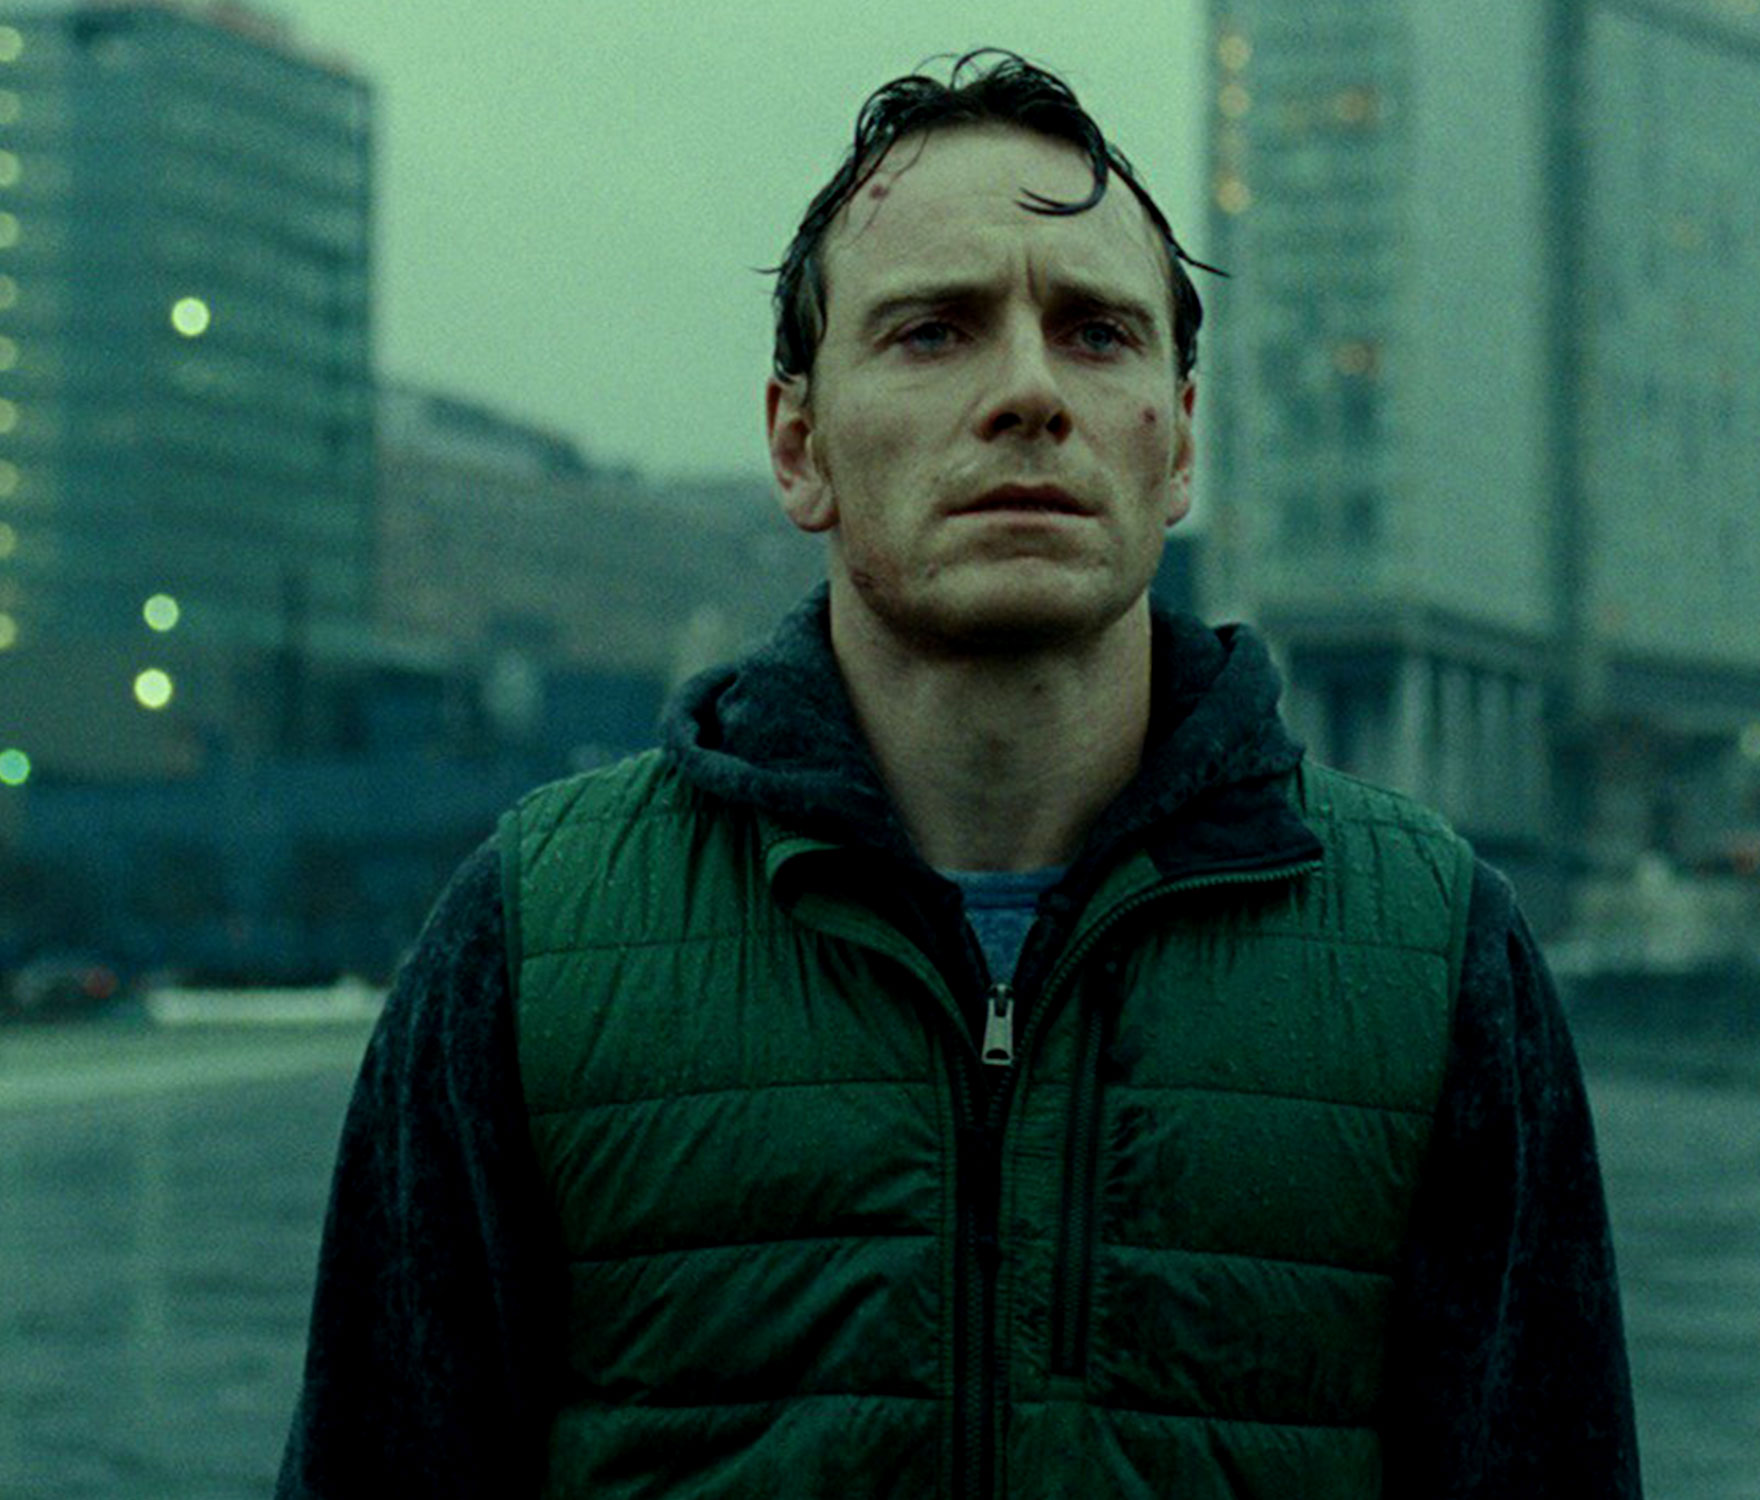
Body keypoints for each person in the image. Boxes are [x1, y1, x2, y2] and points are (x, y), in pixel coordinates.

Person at [278, 50, 1641, 1499]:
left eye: (1097, 334)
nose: (1030, 393)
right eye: (935, 332)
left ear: (1180, 445)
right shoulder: (534, 938)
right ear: (799, 446)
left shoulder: (1433, 950)